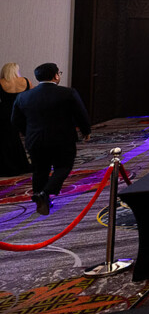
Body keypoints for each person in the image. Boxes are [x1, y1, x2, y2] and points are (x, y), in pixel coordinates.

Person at [11, 63, 91, 215]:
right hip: (62, 139)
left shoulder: (24, 96)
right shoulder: (67, 93)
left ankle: (41, 199)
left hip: (35, 140)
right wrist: (86, 130)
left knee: (40, 170)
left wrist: (28, 132)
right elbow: (81, 113)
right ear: (56, 76)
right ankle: (45, 193)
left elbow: (15, 120)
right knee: (63, 166)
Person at [0, 63, 33, 176]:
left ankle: (8, 164)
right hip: (21, 111)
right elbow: (31, 96)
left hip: (5, 113)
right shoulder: (25, 81)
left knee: (6, 139)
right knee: (17, 138)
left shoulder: (1, 82)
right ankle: (21, 163)